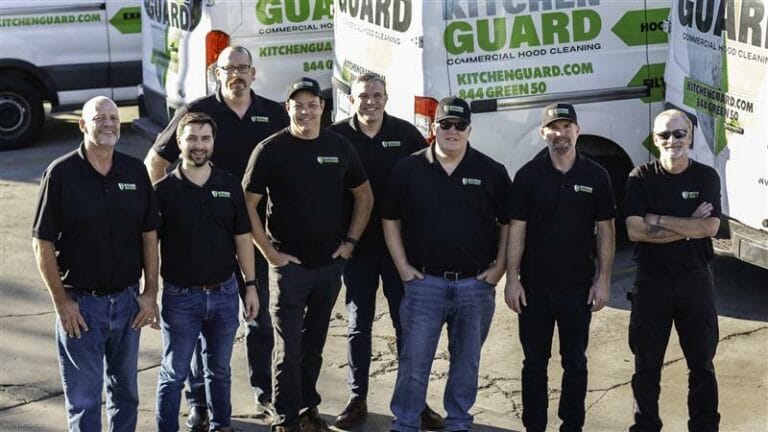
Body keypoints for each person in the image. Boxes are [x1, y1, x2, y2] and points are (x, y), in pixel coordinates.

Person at [144, 45, 288, 430]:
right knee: (191, 329)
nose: (236, 75)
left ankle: (264, 395)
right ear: (216, 71)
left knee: (257, 320)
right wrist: (168, 207)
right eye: (229, 69)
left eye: (243, 68)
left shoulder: (273, 113)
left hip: (249, 234)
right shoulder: (197, 112)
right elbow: (155, 161)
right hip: (198, 237)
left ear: (253, 73)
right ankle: (198, 402)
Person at [243, 77, 374, 432]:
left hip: (329, 267)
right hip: (289, 268)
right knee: (288, 350)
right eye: (298, 104)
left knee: (315, 343)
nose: (305, 110)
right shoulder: (270, 149)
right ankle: (285, 418)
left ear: (322, 107)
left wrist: (349, 243)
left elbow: (364, 196)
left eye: (312, 103)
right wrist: (270, 253)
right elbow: (247, 204)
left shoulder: (340, 146)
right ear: (288, 108)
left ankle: (307, 408)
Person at [382, 96, 512, 432]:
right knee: (414, 362)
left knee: (466, 363)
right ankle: (406, 423)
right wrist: (402, 267)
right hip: (424, 283)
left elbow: (508, 223)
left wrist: (499, 268)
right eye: (445, 124)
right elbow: (390, 219)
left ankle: (458, 422)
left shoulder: (491, 171)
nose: (452, 131)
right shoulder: (408, 169)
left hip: (474, 286)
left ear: (470, 129)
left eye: (460, 125)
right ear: (433, 127)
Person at [32, 96, 160, 431]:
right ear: (83, 125)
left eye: (114, 118)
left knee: (126, 395)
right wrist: (62, 303)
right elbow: (41, 242)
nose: (108, 124)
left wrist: (150, 293)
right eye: (99, 117)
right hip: (82, 309)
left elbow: (149, 234)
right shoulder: (61, 174)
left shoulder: (134, 171)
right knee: (85, 402)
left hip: (129, 304)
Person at [328, 73, 442, 430]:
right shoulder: (337, 136)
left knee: (407, 326)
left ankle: (416, 401)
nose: (370, 102)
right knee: (358, 324)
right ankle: (357, 398)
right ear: (352, 99)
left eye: (377, 95)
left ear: (387, 98)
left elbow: (428, 186)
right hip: (357, 249)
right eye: (363, 95)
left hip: (400, 252)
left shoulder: (406, 135)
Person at [505, 103, 616, 432]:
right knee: (534, 364)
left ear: (577, 131)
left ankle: (572, 426)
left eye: (567, 127)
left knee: (575, 363)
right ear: (543, 134)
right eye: (553, 128)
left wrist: (603, 281)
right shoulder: (527, 176)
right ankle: (534, 426)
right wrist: (513, 280)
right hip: (535, 290)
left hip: (577, 289)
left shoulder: (596, 176)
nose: (560, 134)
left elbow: (607, 230)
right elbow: (516, 230)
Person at [154, 112, 260, 432]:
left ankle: (221, 425)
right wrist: (148, 292)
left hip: (225, 293)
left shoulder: (229, 185)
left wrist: (250, 286)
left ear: (213, 142)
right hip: (180, 297)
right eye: (191, 138)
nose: (198, 145)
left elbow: (243, 238)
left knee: (220, 369)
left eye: (205, 138)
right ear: (179, 141)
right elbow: (149, 246)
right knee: (174, 373)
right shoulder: (162, 191)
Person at [625, 109, 722, 432]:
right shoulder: (640, 177)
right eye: (664, 135)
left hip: (695, 280)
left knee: (702, 366)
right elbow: (635, 231)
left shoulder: (706, 176)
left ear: (690, 136)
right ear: (655, 140)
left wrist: (659, 219)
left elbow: (709, 227)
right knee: (646, 367)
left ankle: (705, 427)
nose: (672, 141)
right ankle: (646, 426)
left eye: (679, 133)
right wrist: (688, 224)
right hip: (651, 284)